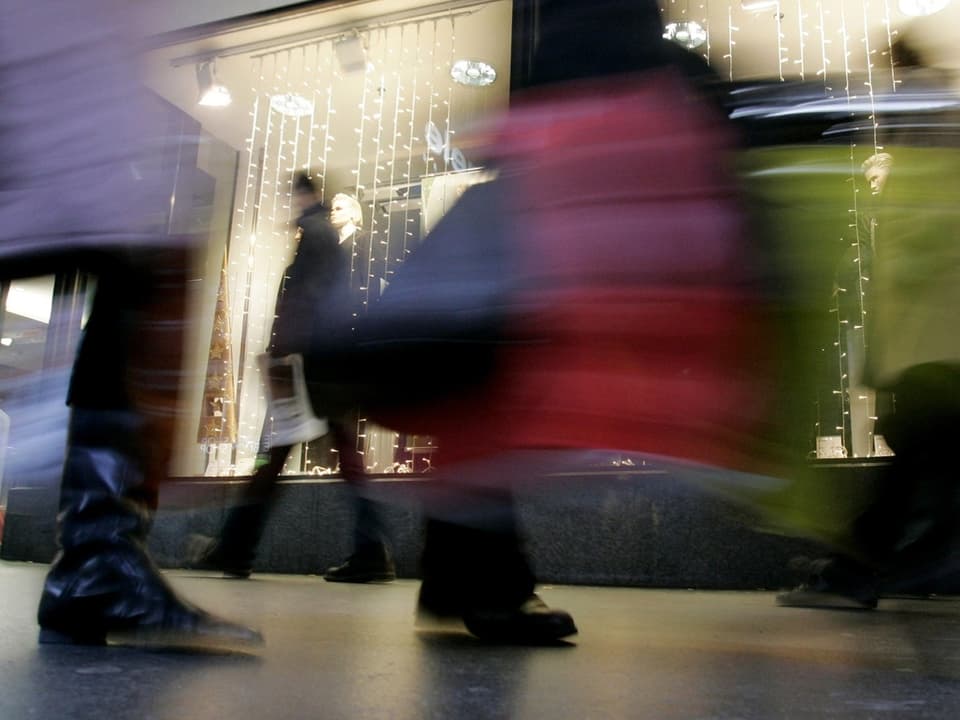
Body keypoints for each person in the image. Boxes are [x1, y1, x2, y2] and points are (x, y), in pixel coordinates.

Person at [329, 0, 779, 642]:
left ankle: (466, 579)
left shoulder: (570, 58)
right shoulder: (627, 68)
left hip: (551, 176)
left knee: (489, 377)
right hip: (577, 175)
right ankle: (479, 583)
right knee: (497, 376)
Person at [2, 0, 261, 646]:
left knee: (141, 273)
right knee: (143, 274)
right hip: (58, 63)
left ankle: (99, 557)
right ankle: (98, 557)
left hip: (68, 64)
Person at [189, 175, 395, 583]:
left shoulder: (318, 236)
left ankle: (237, 547)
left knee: (275, 453)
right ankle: (370, 549)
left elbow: (310, 298)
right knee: (312, 456)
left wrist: (283, 352)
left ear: (305, 195)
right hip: (325, 363)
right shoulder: (323, 238)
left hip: (309, 364)